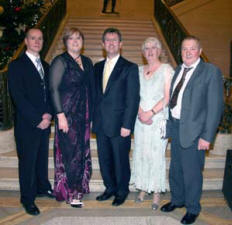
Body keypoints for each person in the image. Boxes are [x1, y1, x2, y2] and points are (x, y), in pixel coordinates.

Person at [160, 36, 224, 224]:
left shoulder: (210, 71)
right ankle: (178, 199)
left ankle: (193, 207)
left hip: (196, 132)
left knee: (192, 172)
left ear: (200, 51)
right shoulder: (179, 69)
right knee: (176, 169)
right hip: (177, 127)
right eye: (184, 49)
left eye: (192, 48)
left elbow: (215, 107)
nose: (187, 52)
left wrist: (207, 136)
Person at [8, 28, 54, 216]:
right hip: (28, 124)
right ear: (26, 41)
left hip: (45, 122)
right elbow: (18, 97)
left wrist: (49, 115)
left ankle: (42, 187)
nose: (37, 41)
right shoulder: (16, 65)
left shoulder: (46, 65)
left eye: (40, 39)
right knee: (27, 162)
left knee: (41, 158)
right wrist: (37, 119)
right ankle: (27, 198)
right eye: (33, 38)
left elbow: (51, 93)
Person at [93, 27, 140, 206]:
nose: (111, 43)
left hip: (120, 124)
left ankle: (122, 190)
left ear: (120, 44)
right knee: (104, 159)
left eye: (115, 40)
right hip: (100, 123)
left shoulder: (130, 67)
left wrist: (127, 124)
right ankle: (110, 188)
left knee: (120, 160)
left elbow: (132, 99)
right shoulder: (97, 67)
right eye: (108, 40)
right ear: (103, 44)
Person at [49, 27, 94, 208]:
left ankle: (80, 186)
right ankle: (71, 192)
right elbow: (53, 89)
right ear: (65, 42)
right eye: (71, 38)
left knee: (82, 152)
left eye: (78, 38)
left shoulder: (88, 61)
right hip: (67, 115)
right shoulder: (60, 61)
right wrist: (60, 115)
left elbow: (91, 89)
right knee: (70, 154)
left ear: (82, 42)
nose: (75, 41)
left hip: (83, 115)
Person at [131, 37, 174, 210]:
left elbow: (167, 97)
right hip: (140, 119)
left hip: (158, 119)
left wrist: (151, 112)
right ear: (143, 52)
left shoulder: (166, 69)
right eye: (146, 48)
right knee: (141, 152)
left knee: (156, 155)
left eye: (153, 48)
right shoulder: (139, 70)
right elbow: (134, 95)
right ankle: (142, 188)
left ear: (159, 51)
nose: (150, 51)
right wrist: (141, 112)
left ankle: (156, 192)